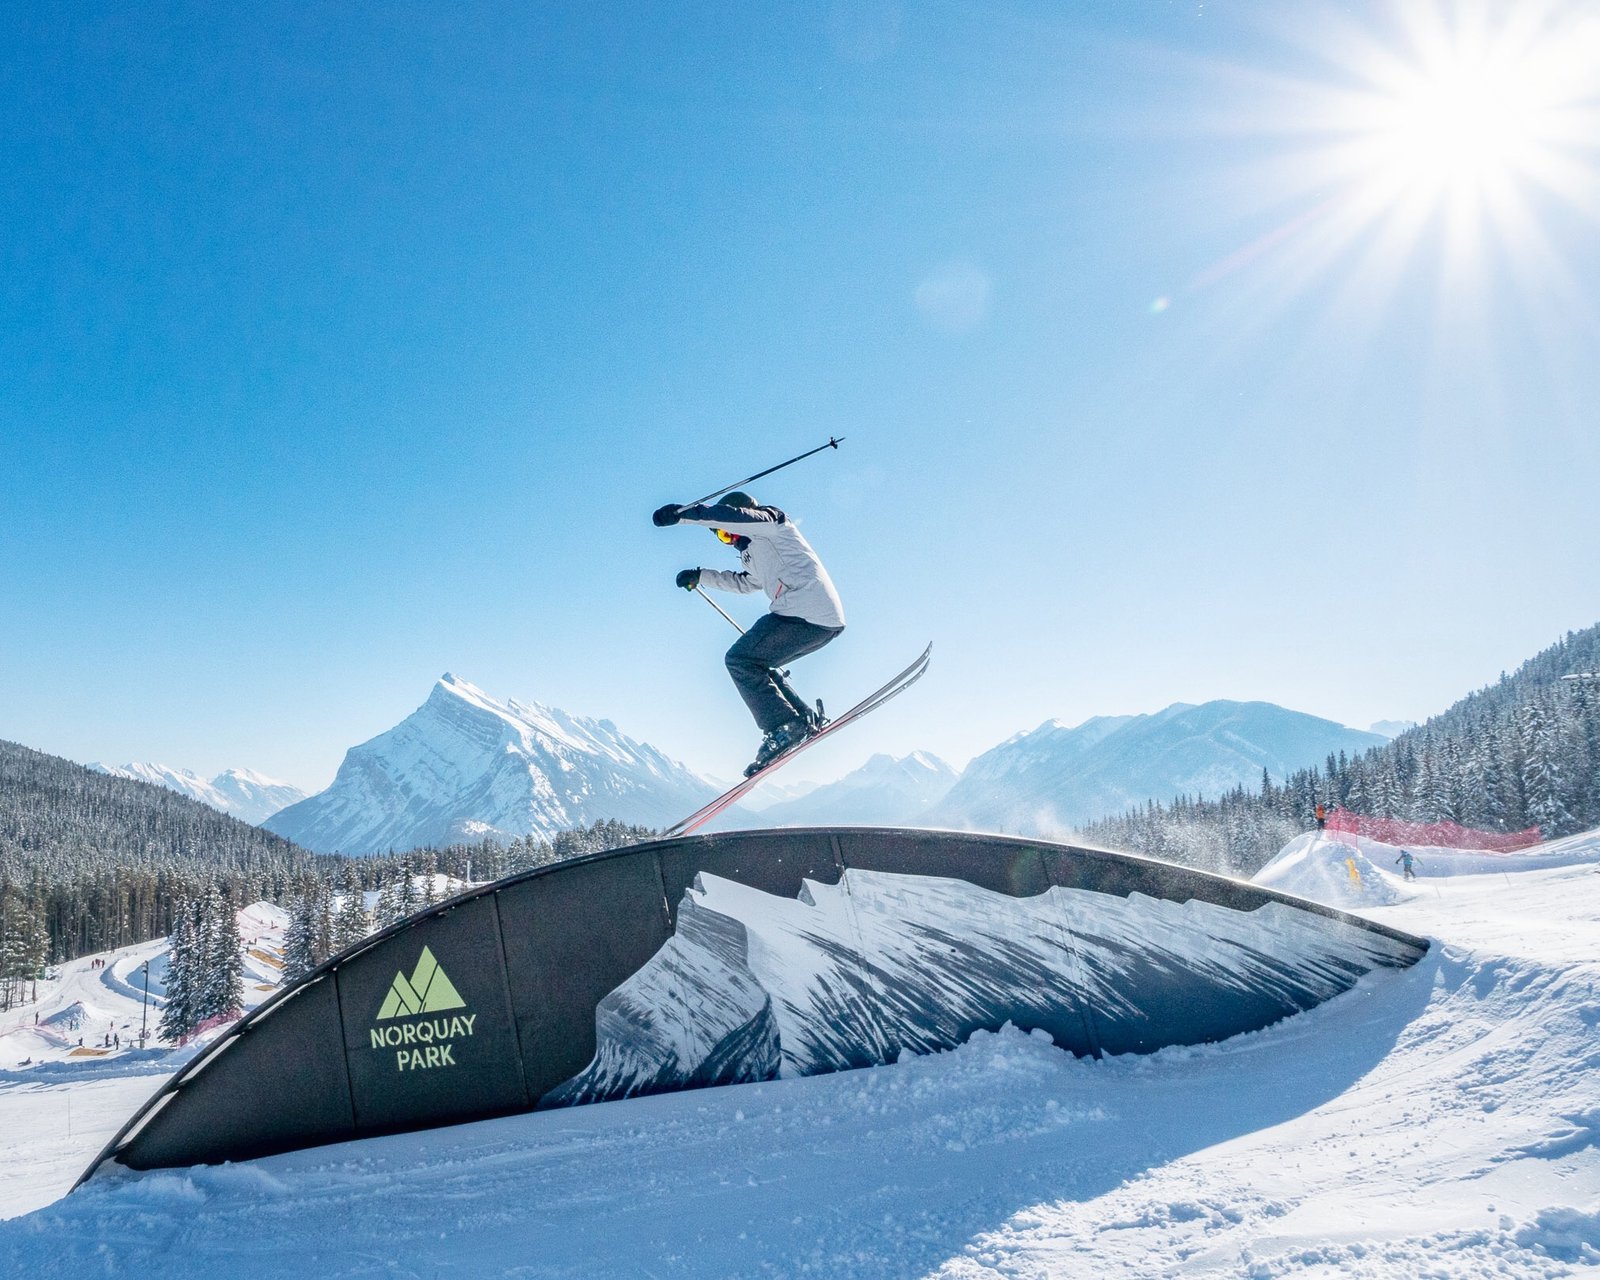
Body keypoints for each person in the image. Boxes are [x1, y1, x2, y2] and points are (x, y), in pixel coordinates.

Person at [654, 491, 845, 776]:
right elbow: (745, 584)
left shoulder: (773, 524)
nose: (730, 540)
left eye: (727, 534)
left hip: (803, 611)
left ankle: (782, 725)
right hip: (820, 621)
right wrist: (700, 576)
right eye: (723, 538)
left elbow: (734, 517)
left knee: (739, 659)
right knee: (757, 663)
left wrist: (684, 514)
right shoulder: (752, 555)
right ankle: (800, 717)